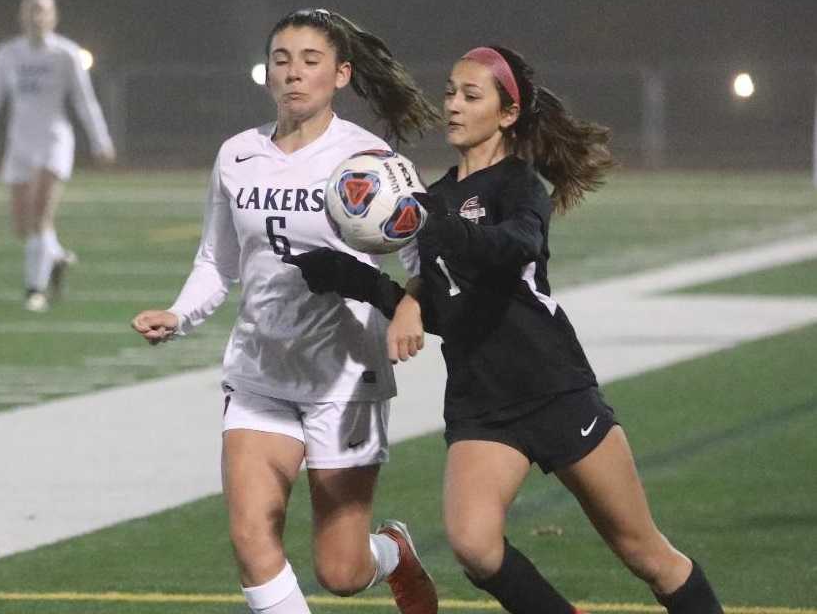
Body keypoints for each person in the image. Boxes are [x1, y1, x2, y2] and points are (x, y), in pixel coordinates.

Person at [285, 45, 724, 614]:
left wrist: (438, 225)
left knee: (645, 554)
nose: (453, 106)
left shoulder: (519, 188)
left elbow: (516, 246)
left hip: (554, 389)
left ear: (508, 113)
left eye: (471, 96)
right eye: (449, 92)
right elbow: (449, 310)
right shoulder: (432, 198)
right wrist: (353, 277)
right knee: (475, 546)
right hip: (481, 403)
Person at [131, 9, 441, 614]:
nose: (293, 73)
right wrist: (179, 315)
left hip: (345, 377)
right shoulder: (236, 156)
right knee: (252, 540)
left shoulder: (368, 158)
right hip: (259, 373)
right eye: (281, 59)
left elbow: (422, 256)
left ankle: (393, 552)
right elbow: (217, 264)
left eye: (310, 60)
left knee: (342, 571)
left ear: (341, 74)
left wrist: (411, 305)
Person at [0, 0, 116, 312]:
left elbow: (84, 101)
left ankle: (34, 290)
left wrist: (100, 140)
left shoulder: (66, 53)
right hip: (20, 142)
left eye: (43, 11)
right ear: (22, 16)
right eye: (31, 10)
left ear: (54, 16)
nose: (37, 17)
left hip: (54, 141)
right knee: (22, 225)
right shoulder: (8, 54)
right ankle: (56, 256)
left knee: (41, 215)